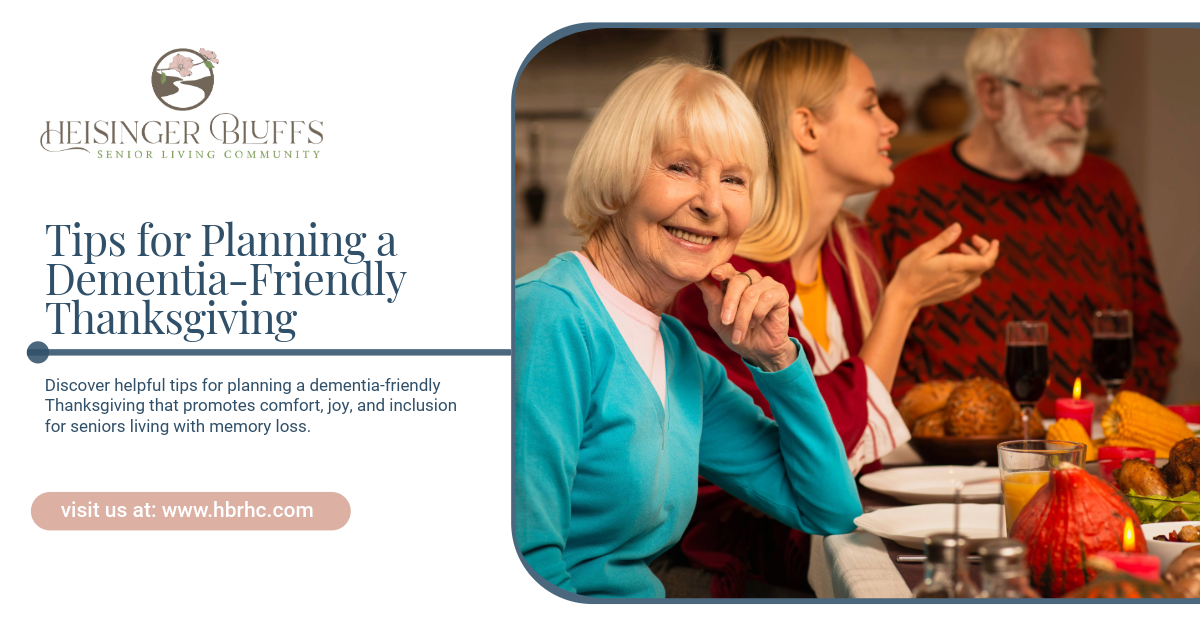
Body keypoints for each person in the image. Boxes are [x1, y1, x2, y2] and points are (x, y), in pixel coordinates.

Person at [514, 59, 862, 599]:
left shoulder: (678, 351)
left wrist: (776, 361)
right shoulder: (550, 315)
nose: (710, 203)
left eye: (733, 180)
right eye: (680, 168)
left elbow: (828, 509)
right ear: (617, 174)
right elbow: (524, 569)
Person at [669, 37, 1000, 597]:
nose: (889, 124)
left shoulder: (852, 252)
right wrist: (902, 303)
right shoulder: (727, 281)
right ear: (807, 127)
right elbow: (812, 447)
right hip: (745, 559)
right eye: (870, 105)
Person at [867, 28, 1180, 414]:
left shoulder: (1107, 189)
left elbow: (1156, 337)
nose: (1078, 116)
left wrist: (1121, 410)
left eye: (1085, 93)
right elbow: (868, 344)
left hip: (1094, 452)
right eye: (1055, 94)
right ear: (992, 95)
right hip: (948, 465)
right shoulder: (909, 193)